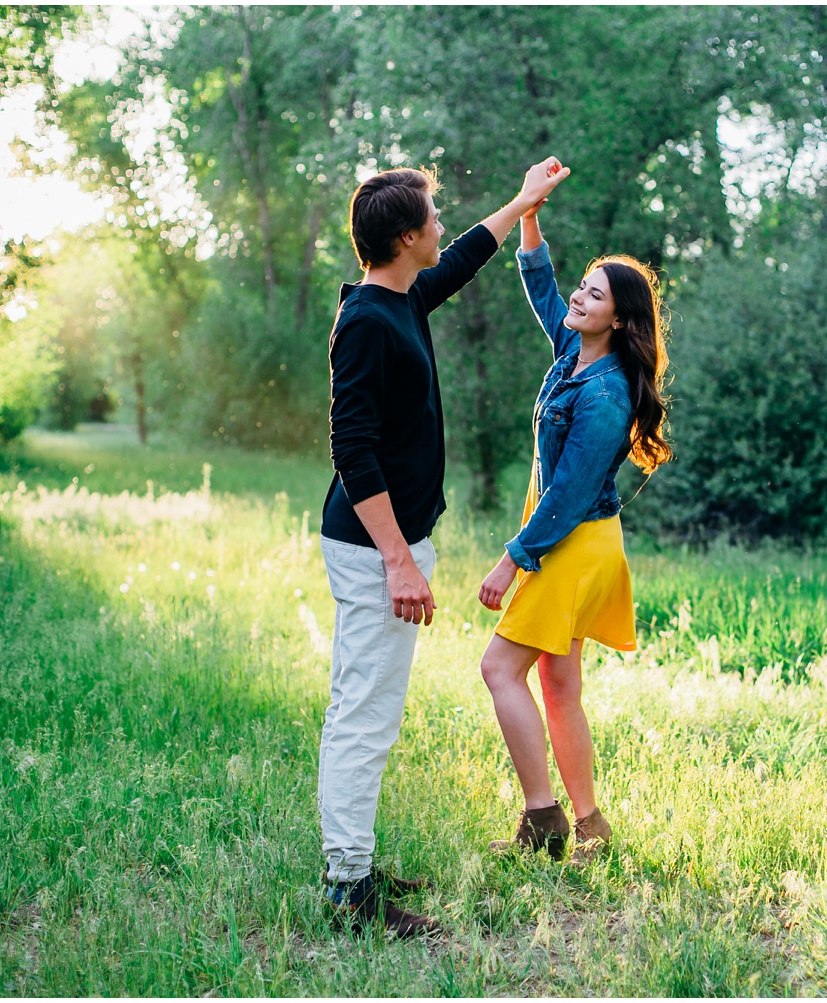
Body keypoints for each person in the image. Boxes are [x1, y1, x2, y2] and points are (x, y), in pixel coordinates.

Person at [318, 157, 571, 938]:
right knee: (364, 717)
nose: (441, 226)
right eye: (432, 216)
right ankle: (348, 890)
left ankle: (352, 865)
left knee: (367, 710)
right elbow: (352, 452)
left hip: (388, 543)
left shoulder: (401, 295)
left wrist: (522, 201)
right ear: (403, 237)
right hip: (372, 548)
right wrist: (398, 558)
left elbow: (464, 255)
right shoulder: (366, 321)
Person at [476, 167, 673, 863]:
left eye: (595, 293)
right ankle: (592, 827)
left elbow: (566, 491)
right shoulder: (573, 350)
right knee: (558, 686)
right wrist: (531, 208)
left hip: (574, 538)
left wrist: (511, 558)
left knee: (500, 668)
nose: (579, 297)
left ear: (617, 318)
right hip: (571, 532)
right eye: (583, 286)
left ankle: (543, 820)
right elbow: (538, 284)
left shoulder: (608, 394)